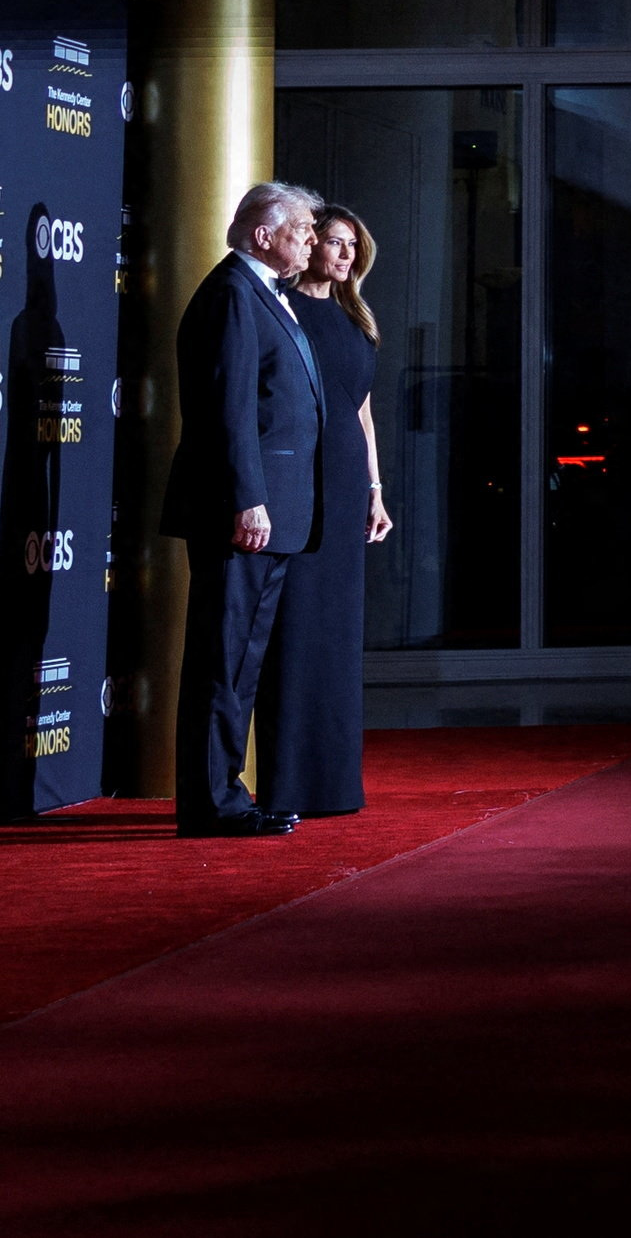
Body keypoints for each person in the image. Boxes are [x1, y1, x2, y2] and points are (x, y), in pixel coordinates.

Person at [165, 181, 331, 838]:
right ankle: (213, 803)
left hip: (271, 514)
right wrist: (249, 501)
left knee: (239, 659)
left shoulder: (263, 293)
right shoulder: (234, 294)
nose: (313, 242)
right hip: (243, 516)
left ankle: (224, 793)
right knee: (222, 657)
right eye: (303, 231)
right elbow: (229, 411)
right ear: (265, 234)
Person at [260, 204, 392, 819]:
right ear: (308, 244)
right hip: (299, 487)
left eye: (352, 248)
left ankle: (335, 786)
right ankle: (287, 784)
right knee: (295, 633)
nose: (344, 255)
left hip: (344, 491)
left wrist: (375, 487)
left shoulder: (356, 319)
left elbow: (361, 410)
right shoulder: (282, 311)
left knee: (338, 637)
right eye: (334, 242)